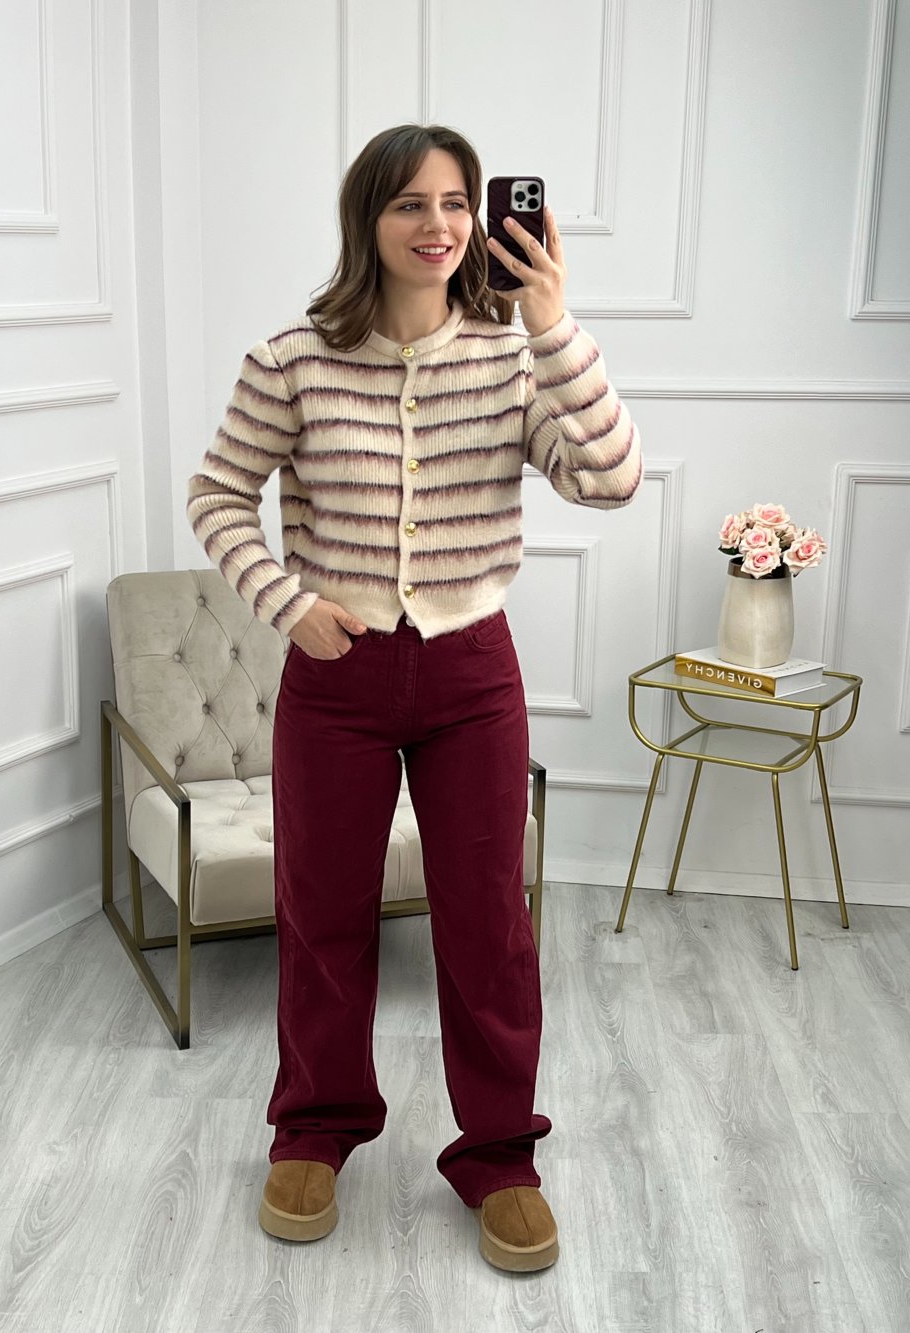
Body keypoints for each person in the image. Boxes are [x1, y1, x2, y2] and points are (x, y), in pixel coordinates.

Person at [187, 123, 642, 1273]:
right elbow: (217, 494)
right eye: (409, 203)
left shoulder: (512, 358)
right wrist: (288, 603)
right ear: (368, 219)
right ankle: (314, 1127)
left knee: (487, 923)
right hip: (333, 678)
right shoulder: (291, 359)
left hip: (470, 674)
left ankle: (500, 1152)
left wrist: (552, 321)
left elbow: (611, 479)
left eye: (455, 202)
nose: (437, 225)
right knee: (320, 912)